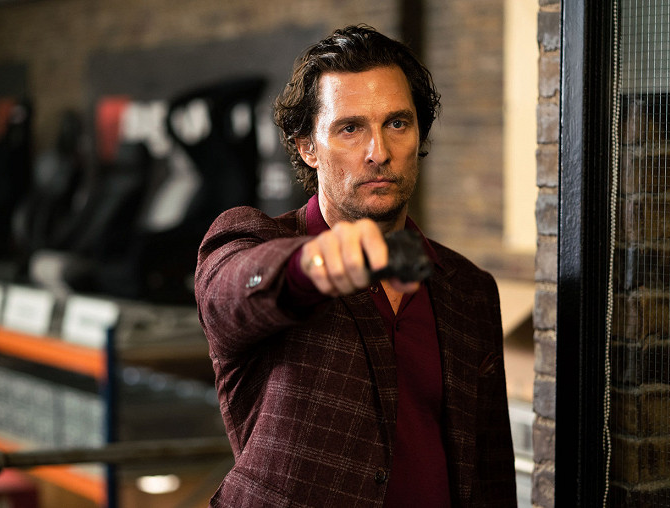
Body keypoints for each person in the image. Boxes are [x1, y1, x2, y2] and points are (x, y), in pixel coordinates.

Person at [195, 24, 517, 507]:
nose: (378, 153)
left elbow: (489, 473)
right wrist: (309, 265)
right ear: (307, 146)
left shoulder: (469, 289)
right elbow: (230, 293)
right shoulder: (258, 240)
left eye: (397, 124)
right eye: (350, 128)